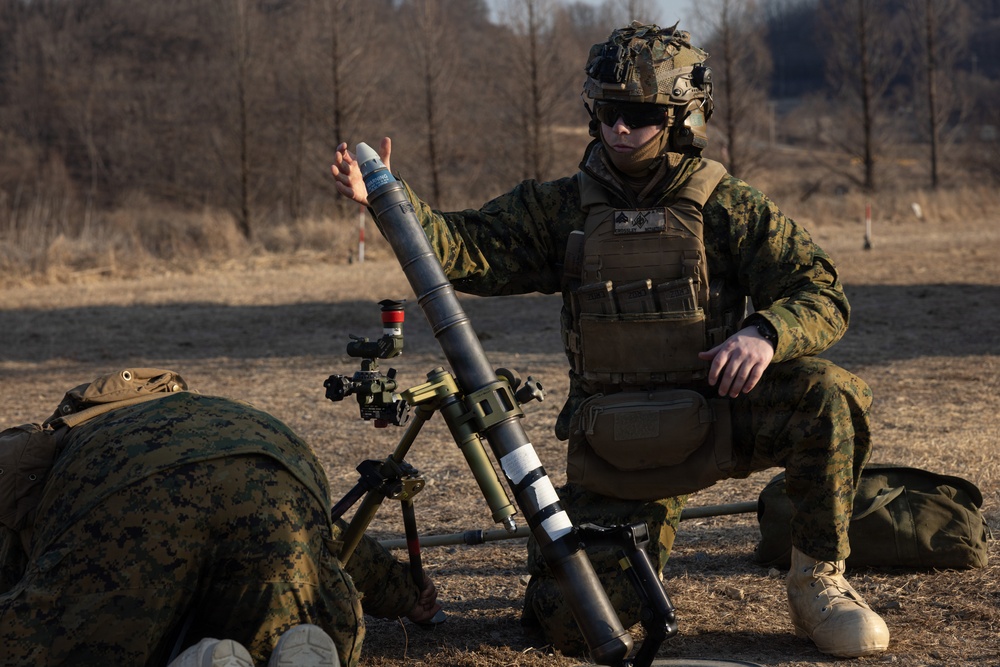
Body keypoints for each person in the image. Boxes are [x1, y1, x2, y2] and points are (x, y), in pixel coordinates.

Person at [331, 21, 889, 660]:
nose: (619, 128)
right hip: (619, 447)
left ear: (682, 117)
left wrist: (765, 333)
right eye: (606, 112)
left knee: (828, 395)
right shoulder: (562, 209)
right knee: (576, 623)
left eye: (640, 115)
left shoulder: (729, 207)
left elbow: (821, 293)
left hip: (720, 417)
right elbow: (461, 248)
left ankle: (817, 580)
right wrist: (388, 201)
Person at [0, 368, 440, 666]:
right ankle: (287, 642)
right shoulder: (207, 414)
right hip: (276, 461)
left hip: (131, 496)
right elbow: (328, 532)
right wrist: (405, 592)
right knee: (290, 620)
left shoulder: (64, 446)